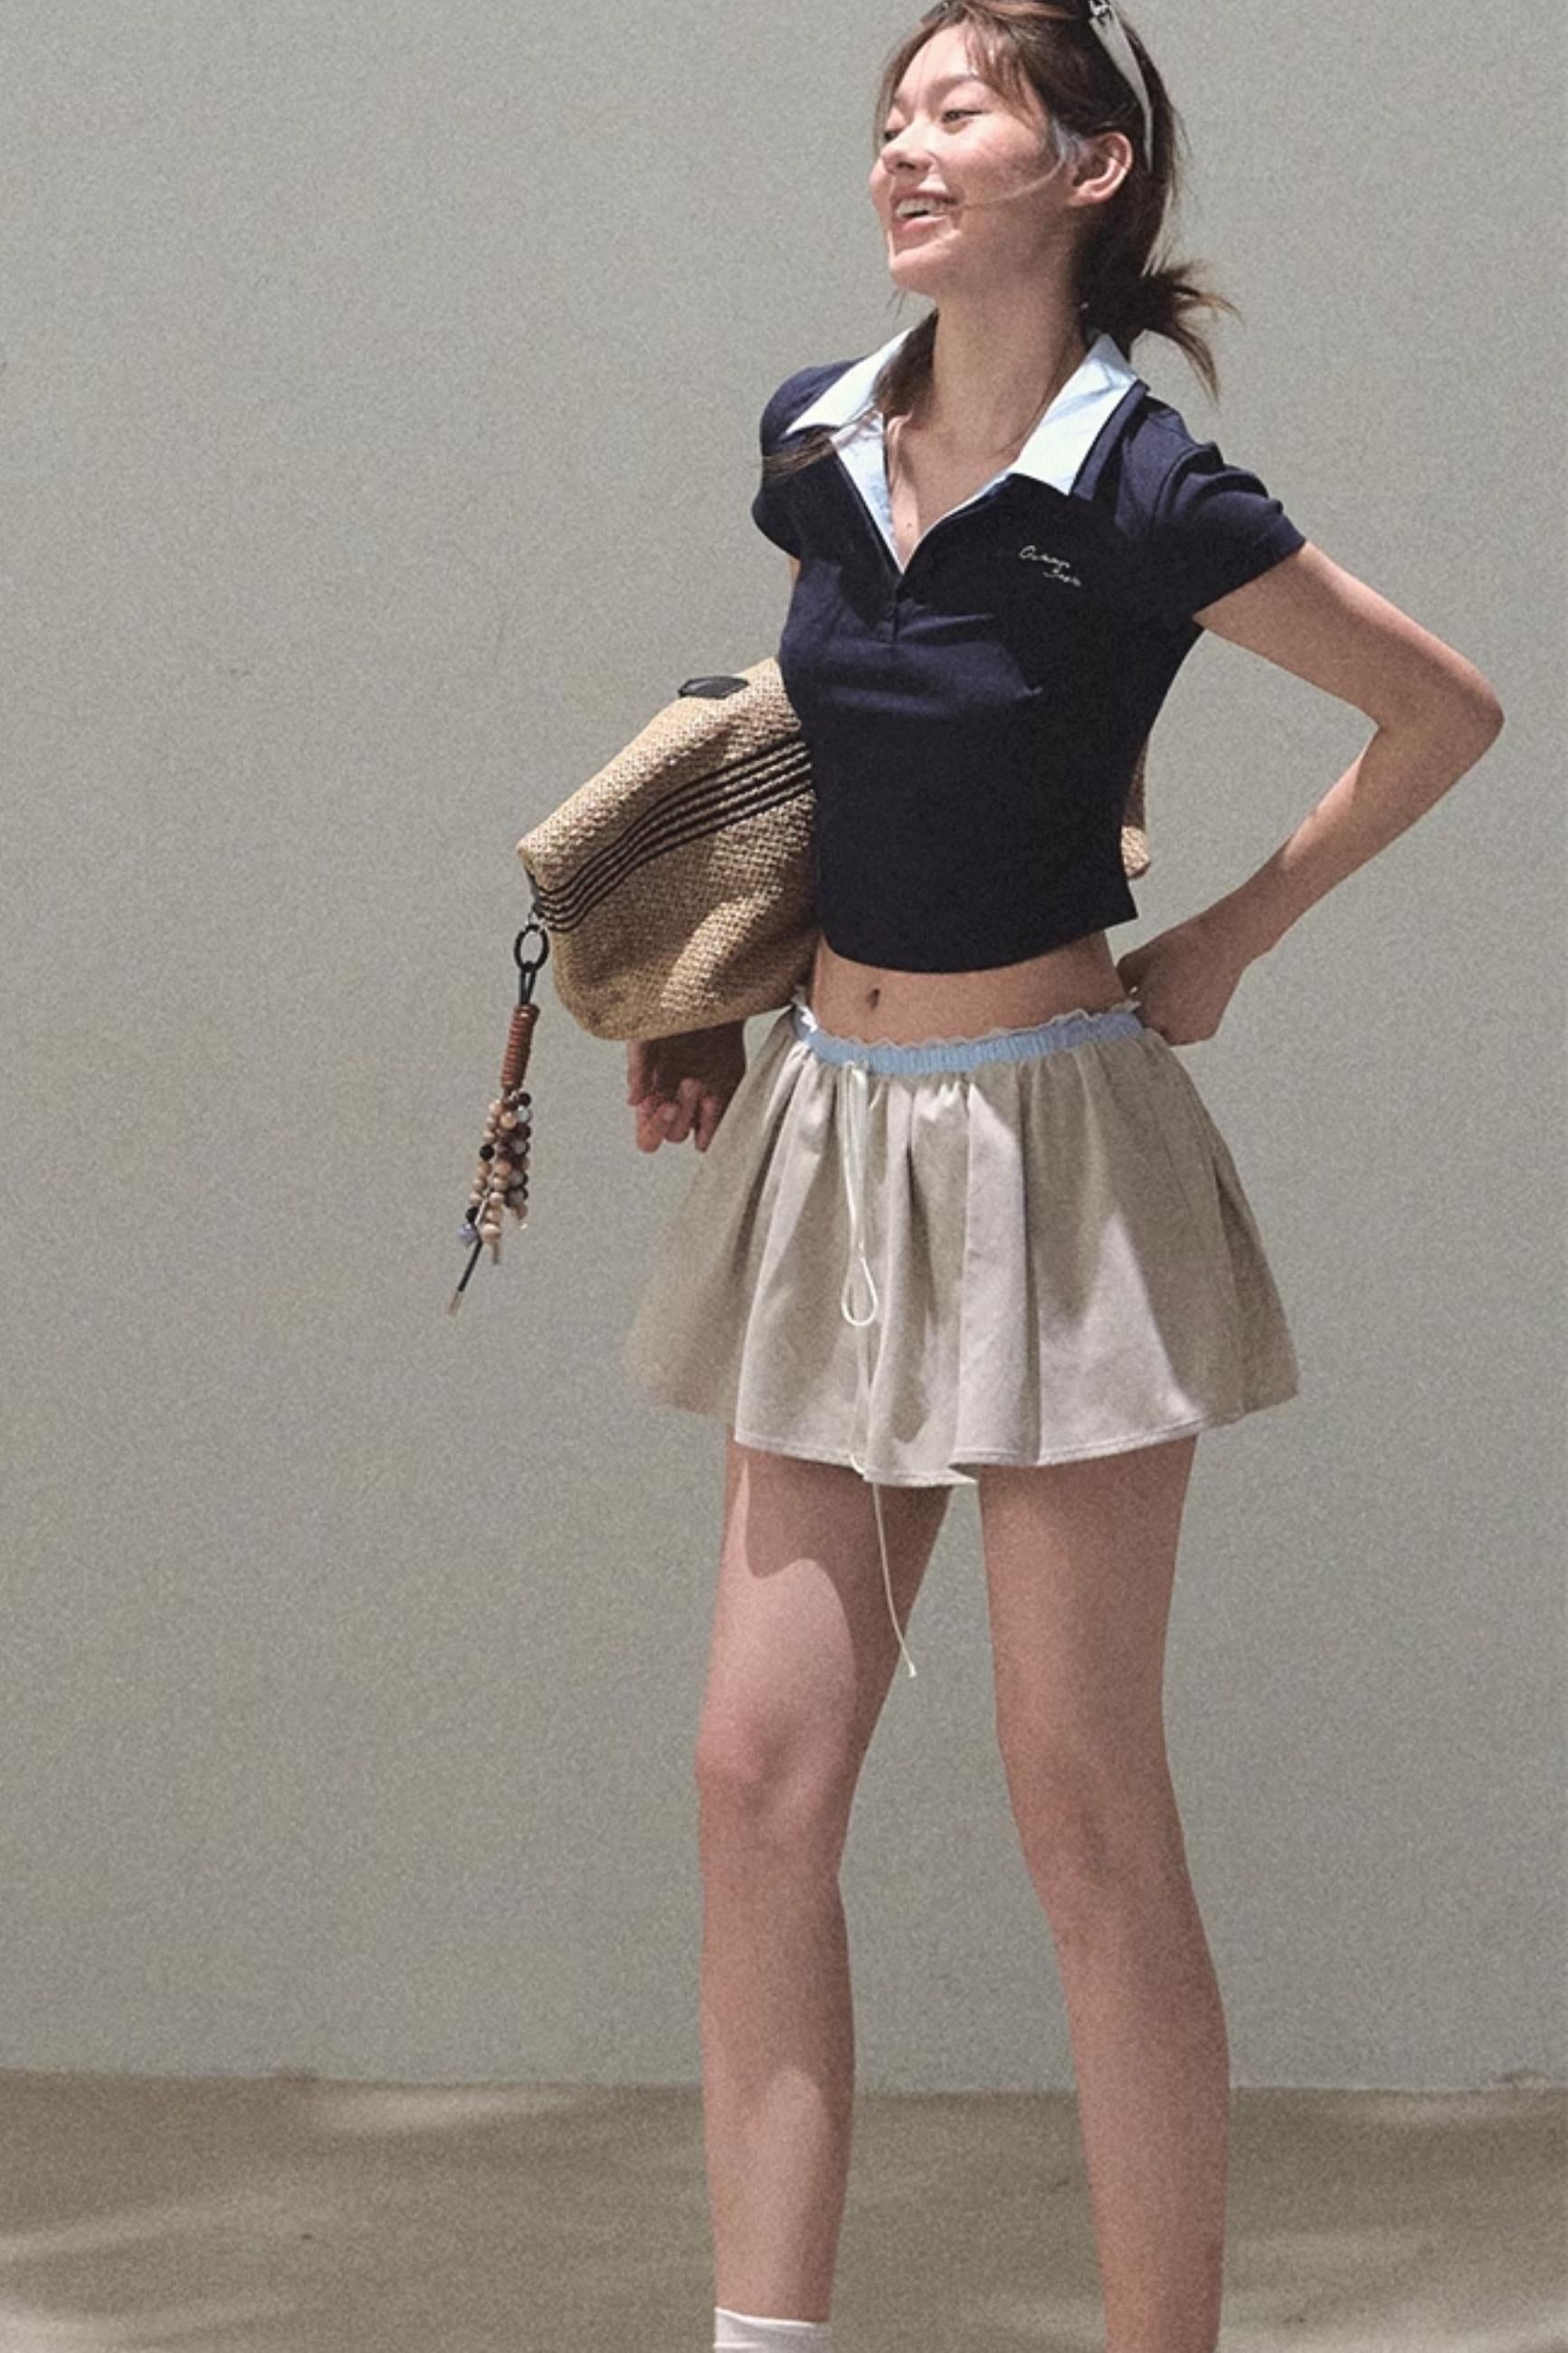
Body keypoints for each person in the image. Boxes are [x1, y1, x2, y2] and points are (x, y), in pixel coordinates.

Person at [622, 5, 1503, 2348]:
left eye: (959, 110)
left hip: (1058, 1165)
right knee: (751, 1780)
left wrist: (1223, 940)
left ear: (1086, 168)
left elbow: (1441, 711)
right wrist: (708, 987)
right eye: (889, 117)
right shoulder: (816, 440)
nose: (904, 149)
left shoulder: (1144, 487)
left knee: (1080, 1804)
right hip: (829, 1136)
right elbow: (842, 737)